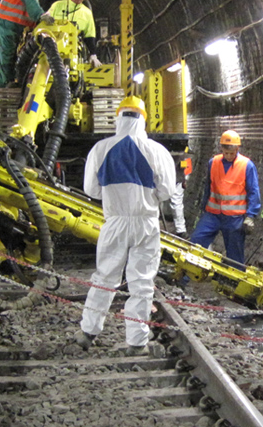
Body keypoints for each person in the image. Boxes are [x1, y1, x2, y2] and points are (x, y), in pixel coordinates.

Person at [75, 96, 175, 355]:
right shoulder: (157, 151)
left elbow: (91, 190)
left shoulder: (101, 148)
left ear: (118, 117)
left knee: (105, 277)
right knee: (141, 282)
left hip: (115, 222)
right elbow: (166, 191)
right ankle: (136, 342)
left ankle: (88, 332)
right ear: (144, 119)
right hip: (145, 223)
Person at [188, 130, 260, 268]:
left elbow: (253, 191)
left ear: (237, 149)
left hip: (234, 219)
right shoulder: (213, 162)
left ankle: (235, 285)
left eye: (231, 154)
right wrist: (204, 206)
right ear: (221, 148)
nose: (228, 156)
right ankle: (184, 278)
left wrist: (250, 216)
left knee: (235, 256)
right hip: (213, 215)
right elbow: (208, 186)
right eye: (225, 153)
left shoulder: (246, 165)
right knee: (196, 241)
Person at [47, 0, 102, 67]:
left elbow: (89, 35)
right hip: (53, 47)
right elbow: (46, 23)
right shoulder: (57, 5)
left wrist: (93, 55)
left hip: (74, 50)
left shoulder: (87, 13)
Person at [163, 155, 190, 238]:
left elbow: (185, 162)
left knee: (177, 203)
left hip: (175, 177)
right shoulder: (183, 149)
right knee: (177, 203)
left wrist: (185, 178)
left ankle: (181, 230)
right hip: (172, 176)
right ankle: (181, 230)